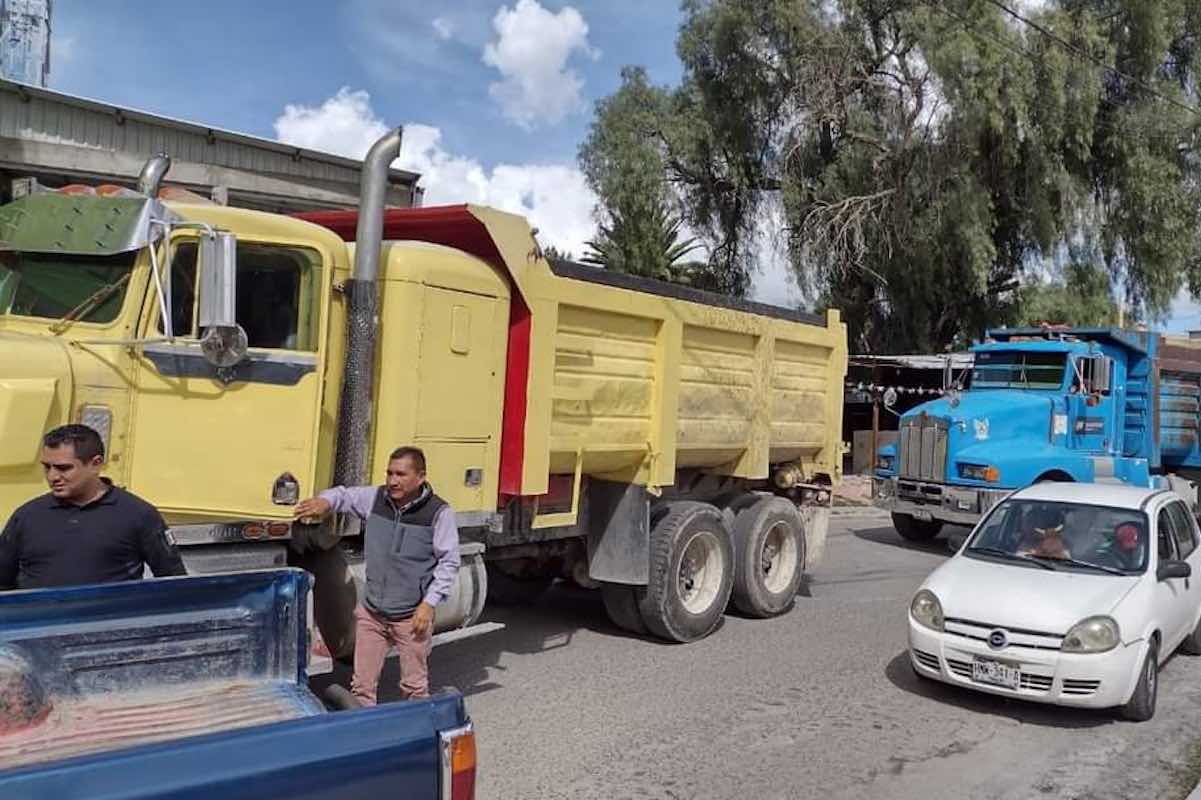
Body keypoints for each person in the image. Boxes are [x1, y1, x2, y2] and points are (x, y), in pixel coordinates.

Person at [294, 446, 459, 704]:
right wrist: (325, 501)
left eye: (401, 474)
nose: (393, 480)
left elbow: (449, 562)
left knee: (414, 688)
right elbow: (345, 496)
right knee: (361, 688)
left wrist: (429, 604)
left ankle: (416, 736)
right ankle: (364, 735)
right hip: (372, 614)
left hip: (411, 616)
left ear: (421, 476)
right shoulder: (376, 499)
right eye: (390, 473)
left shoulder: (438, 513)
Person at [0, 424, 186, 590]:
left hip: (107, 625)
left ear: (95, 464)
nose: (52, 477)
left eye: (63, 468)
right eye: (47, 467)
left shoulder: (138, 514)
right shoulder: (27, 516)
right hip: (37, 625)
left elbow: (174, 584)